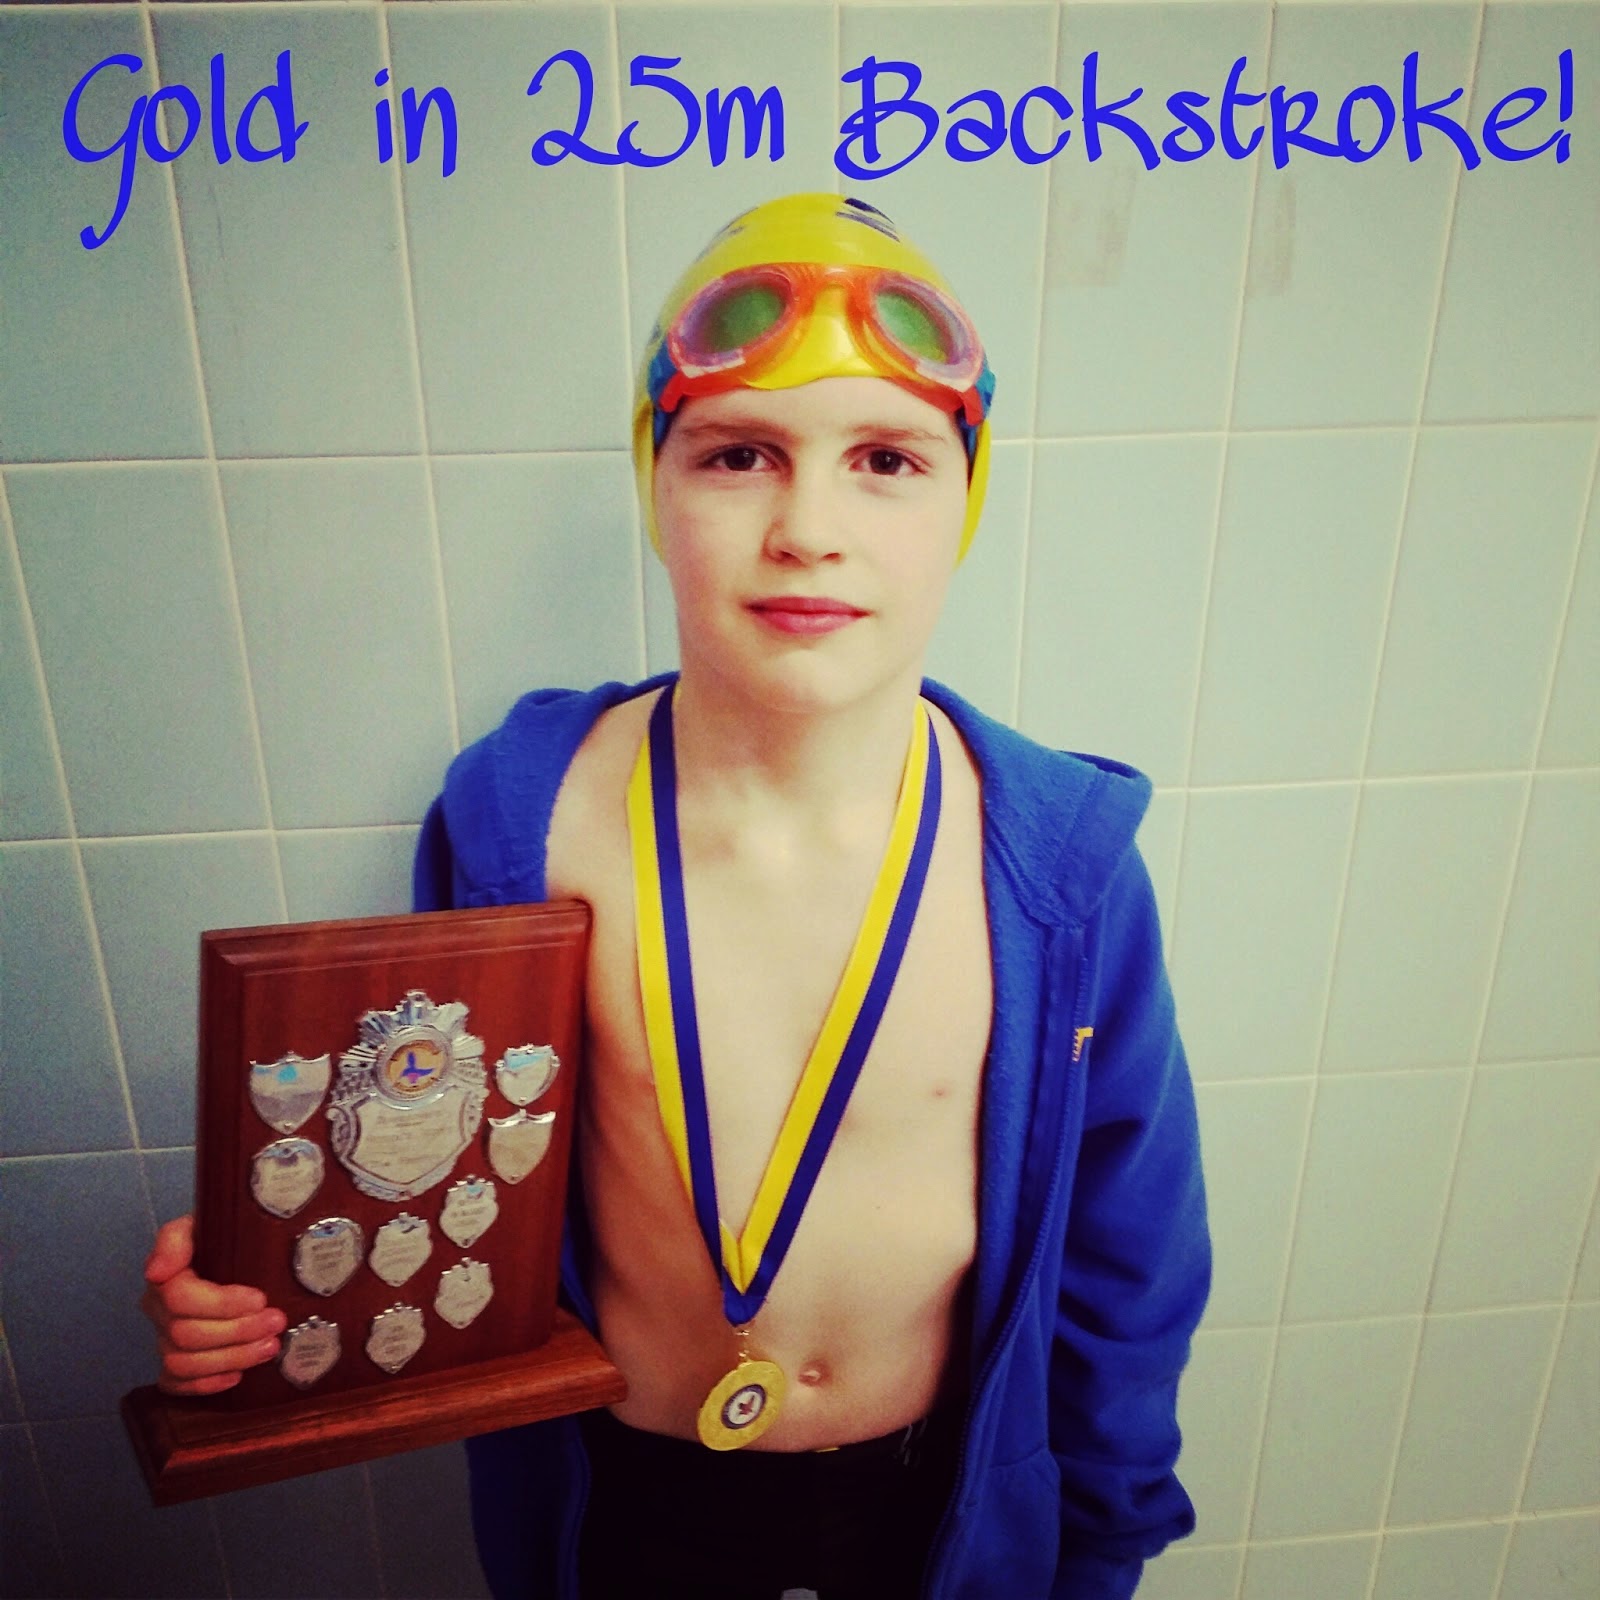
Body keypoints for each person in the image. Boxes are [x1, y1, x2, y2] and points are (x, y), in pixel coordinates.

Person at [143, 193, 1210, 1600]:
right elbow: (421, 1165)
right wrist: (275, 1287)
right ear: (653, 482)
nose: (808, 529)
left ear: (967, 499)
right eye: (739, 455)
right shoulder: (521, 821)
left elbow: (1132, 1260)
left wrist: (1106, 1542)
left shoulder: (1062, 868)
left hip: (936, 1505)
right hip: (626, 1499)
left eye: (887, 459)